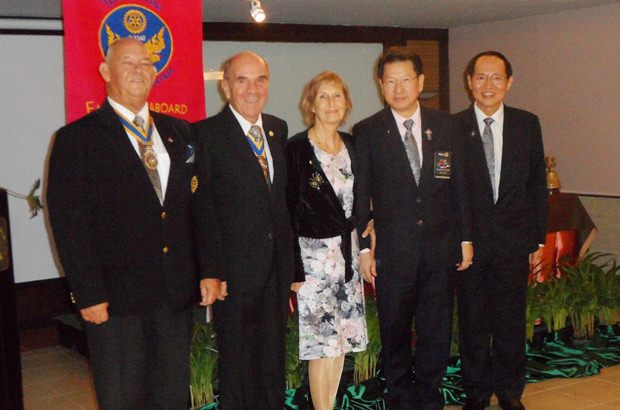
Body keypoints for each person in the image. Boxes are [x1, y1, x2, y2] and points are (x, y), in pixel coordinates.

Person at [47, 38, 197, 409]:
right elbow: (69, 223)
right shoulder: (76, 139)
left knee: (171, 395)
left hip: (174, 293)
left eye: (146, 63)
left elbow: (195, 210)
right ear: (105, 72)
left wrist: (206, 271)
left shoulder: (180, 133)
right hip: (115, 300)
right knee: (123, 398)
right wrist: (88, 293)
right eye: (128, 62)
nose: (138, 70)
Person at [353, 46, 473, 410]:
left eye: (406, 79)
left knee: (436, 329)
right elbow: (361, 195)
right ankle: (400, 398)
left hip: (440, 249)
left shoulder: (447, 125)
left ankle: (429, 397)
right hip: (393, 252)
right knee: (395, 331)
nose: (399, 88)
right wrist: (363, 248)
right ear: (380, 85)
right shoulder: (368, 131)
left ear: (420, 82)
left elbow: (460, 187)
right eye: (390, 81)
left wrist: (466, 238)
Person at [192, 51, 294, 409]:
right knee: (237, 362)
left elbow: (280, 204)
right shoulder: (205, 134)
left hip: (275, 271)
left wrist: (291, 267)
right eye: (242, 80)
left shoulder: (277, 128)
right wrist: (213, 272)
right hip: (233, 273)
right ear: (225, 86)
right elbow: (203, 211)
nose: (253, 89)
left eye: (260, 79)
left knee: (272, 358)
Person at [454, 51, 547, 410]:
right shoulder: (453, 127)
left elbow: (537, 184)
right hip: (469, 245)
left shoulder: (527, 124)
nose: (488, 85)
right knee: (473, 323)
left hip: (512, 243)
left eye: (496, 78)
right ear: (469, 81)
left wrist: (537, 237)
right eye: (481, 77)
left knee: (510, 322)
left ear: (509, 82)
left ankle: (510, 393)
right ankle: (476, 393)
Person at [286, 71, 369, 410]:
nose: (332, 103)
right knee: (322, 346)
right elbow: (287, 212)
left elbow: (362, 202)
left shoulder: (353, 145)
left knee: (341, 344)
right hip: (314, 260)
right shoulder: (296, 149)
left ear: (346, 104)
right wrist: (294, 269)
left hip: (347, 257)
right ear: (312, 105)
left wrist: (368, 232)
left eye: (338, 96)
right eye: (324, 96)